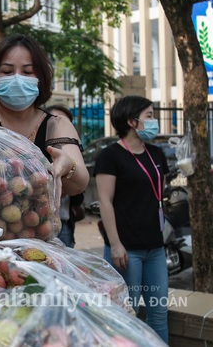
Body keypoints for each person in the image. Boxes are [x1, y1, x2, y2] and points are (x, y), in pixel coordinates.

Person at [0, 33, 89, 197]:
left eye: (27, 71)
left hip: (42, 221)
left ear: (41, 78)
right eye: (7, 71)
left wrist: (69, 166)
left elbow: (79, 185)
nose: (17, 78)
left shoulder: (57, 126)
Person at [95, 95, 169, 343]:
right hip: (126, 250)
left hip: (155, 248)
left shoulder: (156, 153)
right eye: (149, 115)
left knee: (158, 313)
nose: (155, 120)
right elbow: (105, 201)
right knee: (127, 314)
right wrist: (115, 243)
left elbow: (159, 195)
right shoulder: (111, 156)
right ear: (131, 121)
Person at [44, 105, 86, 248]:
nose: (61, 124)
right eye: (56, 119)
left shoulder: (73, 152)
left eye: (65, 122)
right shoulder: (37, 150)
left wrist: (69, 169)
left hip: (63, 225)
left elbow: (79, 193)